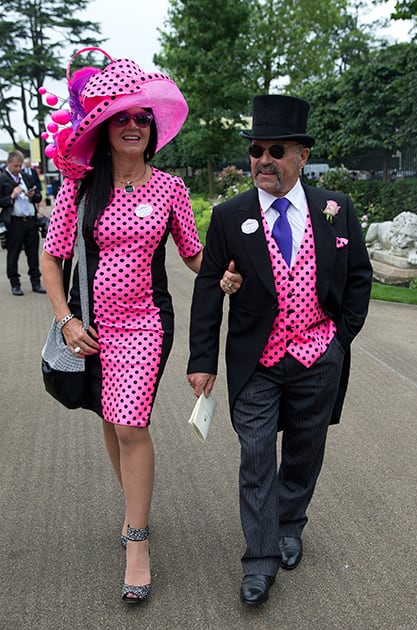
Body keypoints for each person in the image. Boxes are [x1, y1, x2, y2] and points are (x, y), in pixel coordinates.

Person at [40, 49, 241, 605]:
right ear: (104, 127)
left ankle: (136, 538)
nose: (133, 124)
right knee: (111, 419)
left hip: (146, 324)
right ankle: (136, 504)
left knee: (130, 426)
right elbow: (51, 259)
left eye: (142, 117)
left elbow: (196, 256)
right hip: (89, 328)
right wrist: (66, 319)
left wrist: (225, 275)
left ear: (153, 128)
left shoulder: (171, 189)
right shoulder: (80, 189)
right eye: (122, 116)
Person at [187, 95, 372, 606]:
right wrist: (201, 360)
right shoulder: (230, 216)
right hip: (258, 362)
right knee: (255, 455)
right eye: (255, 150)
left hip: (319, 356)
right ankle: (260, 559)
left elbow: (359, 277)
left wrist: (340, 339)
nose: (262, 160)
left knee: (305, 451)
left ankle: (290, 523)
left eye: (275, 150)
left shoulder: (335, 211)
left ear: (301, 156)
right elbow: (208, 288)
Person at [0, 150, 46, 295]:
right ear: (9, 164)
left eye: (20, 166)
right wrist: (12, 196)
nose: (18, 169)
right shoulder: (2, 179)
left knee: (33, 254)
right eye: (16, 166)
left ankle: (36, 282)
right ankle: (15, 284)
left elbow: (39, 196)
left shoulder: (26, 176)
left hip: (30, 221)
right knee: (13, 254)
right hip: (14, 222)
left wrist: (33, 195)